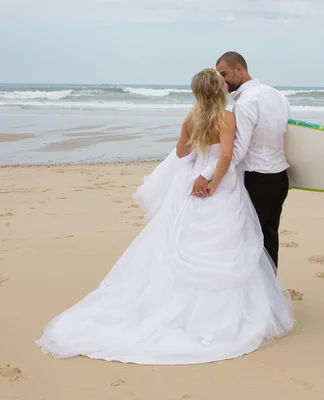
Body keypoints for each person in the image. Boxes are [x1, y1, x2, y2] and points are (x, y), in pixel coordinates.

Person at [34, 68, 295, 365]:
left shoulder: (191, 117)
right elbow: (225, 156)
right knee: (227, 242)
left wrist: (195, 146)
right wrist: (212, 182)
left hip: (189, 184)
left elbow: (182, 153)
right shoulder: (227, 117)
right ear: (218, 90)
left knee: (180, 239)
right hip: (219, 184)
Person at [193, 51, 291, 271]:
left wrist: (206, 174)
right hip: (279, 179)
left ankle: (255, 298)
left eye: (224, 73)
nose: (221, 80)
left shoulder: (245, 103)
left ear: (240, 69)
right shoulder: (278, 95)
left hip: (257, 180)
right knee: (269, 239)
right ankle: (269, 293)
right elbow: (287, 135)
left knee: (249, 241)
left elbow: (236, 151)